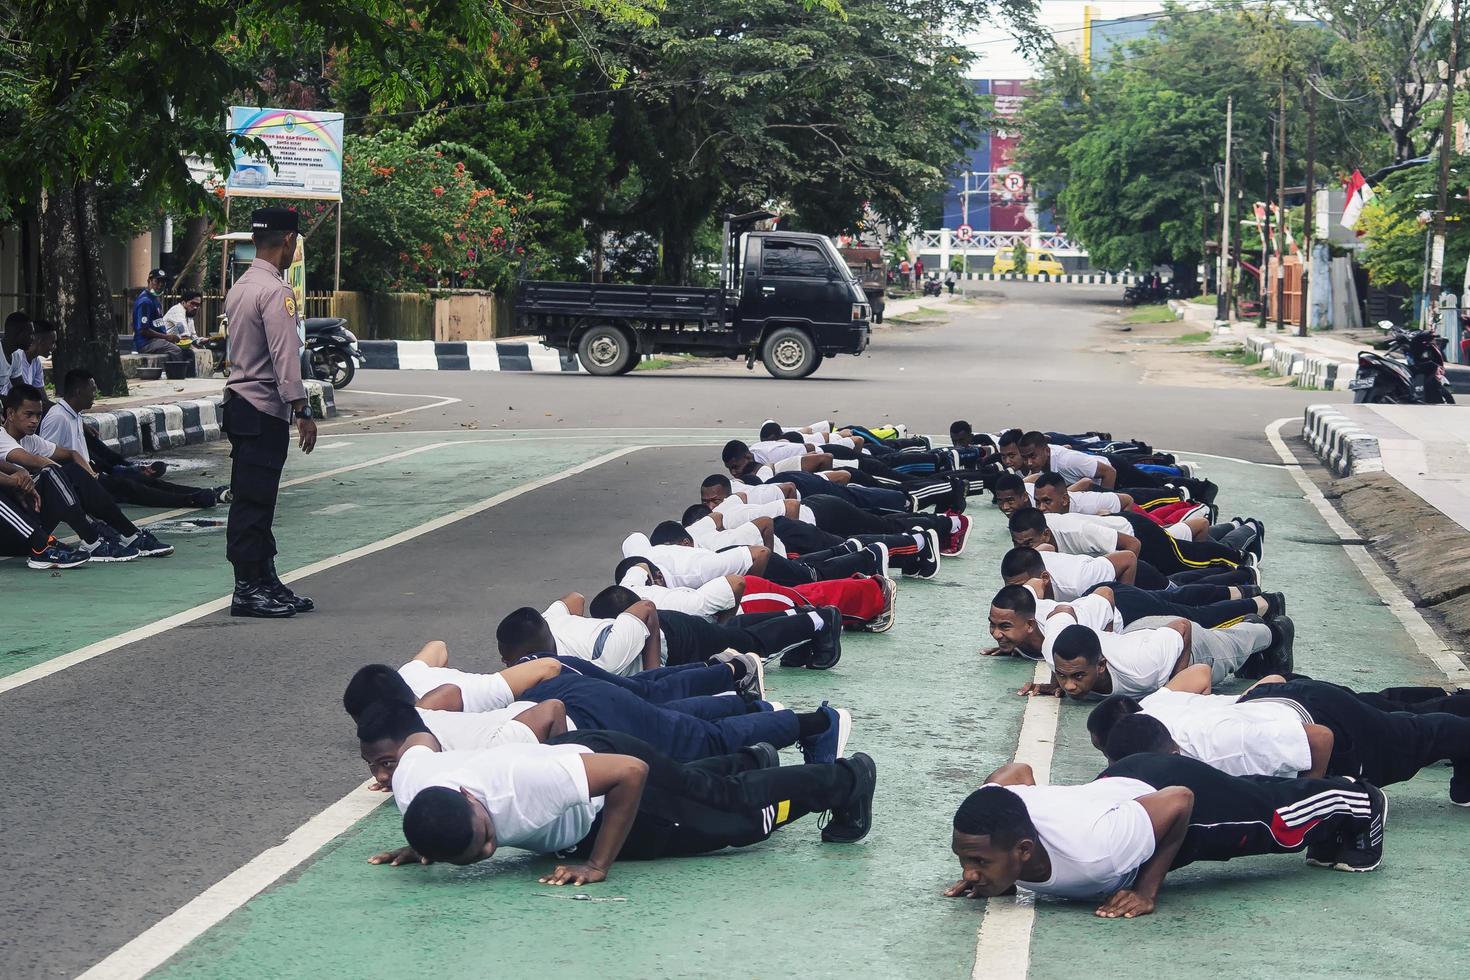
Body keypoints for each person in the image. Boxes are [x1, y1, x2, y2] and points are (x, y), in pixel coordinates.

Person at [370, 729, 877, 883]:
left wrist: (597, 864)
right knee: (703, 785)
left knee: (733, 810)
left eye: (485, 834)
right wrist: (427, 842)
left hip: (609, 770)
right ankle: (752, 758)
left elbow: (629, 774)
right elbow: (417, 737)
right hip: (576, 772)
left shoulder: (527, 789)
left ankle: (847, 778)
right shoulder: (418, 782)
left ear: (470, 797)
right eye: (477, 853)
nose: (489, 846)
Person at [945, 755, 1387, 918]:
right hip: (1119, 789)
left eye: (979, 862)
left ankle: (1361, 800)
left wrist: (1146, 889)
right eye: (966, 860)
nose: (969, 871)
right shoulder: (997, 820)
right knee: (1250, 794)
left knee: (1274, 825)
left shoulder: (1097, 853)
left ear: (1023, 850)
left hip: (1166, 797)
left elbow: (1179, 800)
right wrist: (991, 877)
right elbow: (1014, 774)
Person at [222, 207, 317, 618]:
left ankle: (264, 579)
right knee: (254, 502)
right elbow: (285, 355)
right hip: (263, 408)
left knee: (256, 498)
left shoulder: (241, 285)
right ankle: (247, 589)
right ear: (289, 241)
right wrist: (302, 408)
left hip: (241, 404)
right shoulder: (277, 292)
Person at [2, 383, 171, 560]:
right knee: (55, 473)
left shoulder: (31, 440)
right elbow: (32, 461)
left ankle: (129, 535)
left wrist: (90, 475)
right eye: (28, 415)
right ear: (11, 414)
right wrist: (71, 477)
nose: (35, 421)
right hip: (14, 523)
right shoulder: (1, 436)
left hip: (32, 517)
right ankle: (93, 538)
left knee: (73, 473)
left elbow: (71, 453)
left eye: (38, 415)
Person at [39, 369, 227, 509]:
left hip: (91, 473)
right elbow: (45, 459)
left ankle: (204, 493)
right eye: (92, 390)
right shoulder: (57, 417)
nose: (95, 395)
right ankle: (191, 500)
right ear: (78, 392)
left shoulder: (74, 414)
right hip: (78, 482)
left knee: (145, 481)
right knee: (133, 488)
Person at [131, 269, 185, 360]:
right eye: (157, 281)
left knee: (185, 350)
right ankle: (176, 373)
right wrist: (167, 337)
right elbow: (143, 330)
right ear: (149, 281)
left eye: (163, 282)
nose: (160, 285)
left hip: (157, 341)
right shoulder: (145, 301)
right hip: (146, 343)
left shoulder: (155, 299)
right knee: (176, 350)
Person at [8, 320, 53, 392]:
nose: (54, 347)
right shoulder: (17, 357)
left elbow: (41, 397)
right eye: (52, 342)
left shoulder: (36, 361)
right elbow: (24, 396)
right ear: (40, 340)